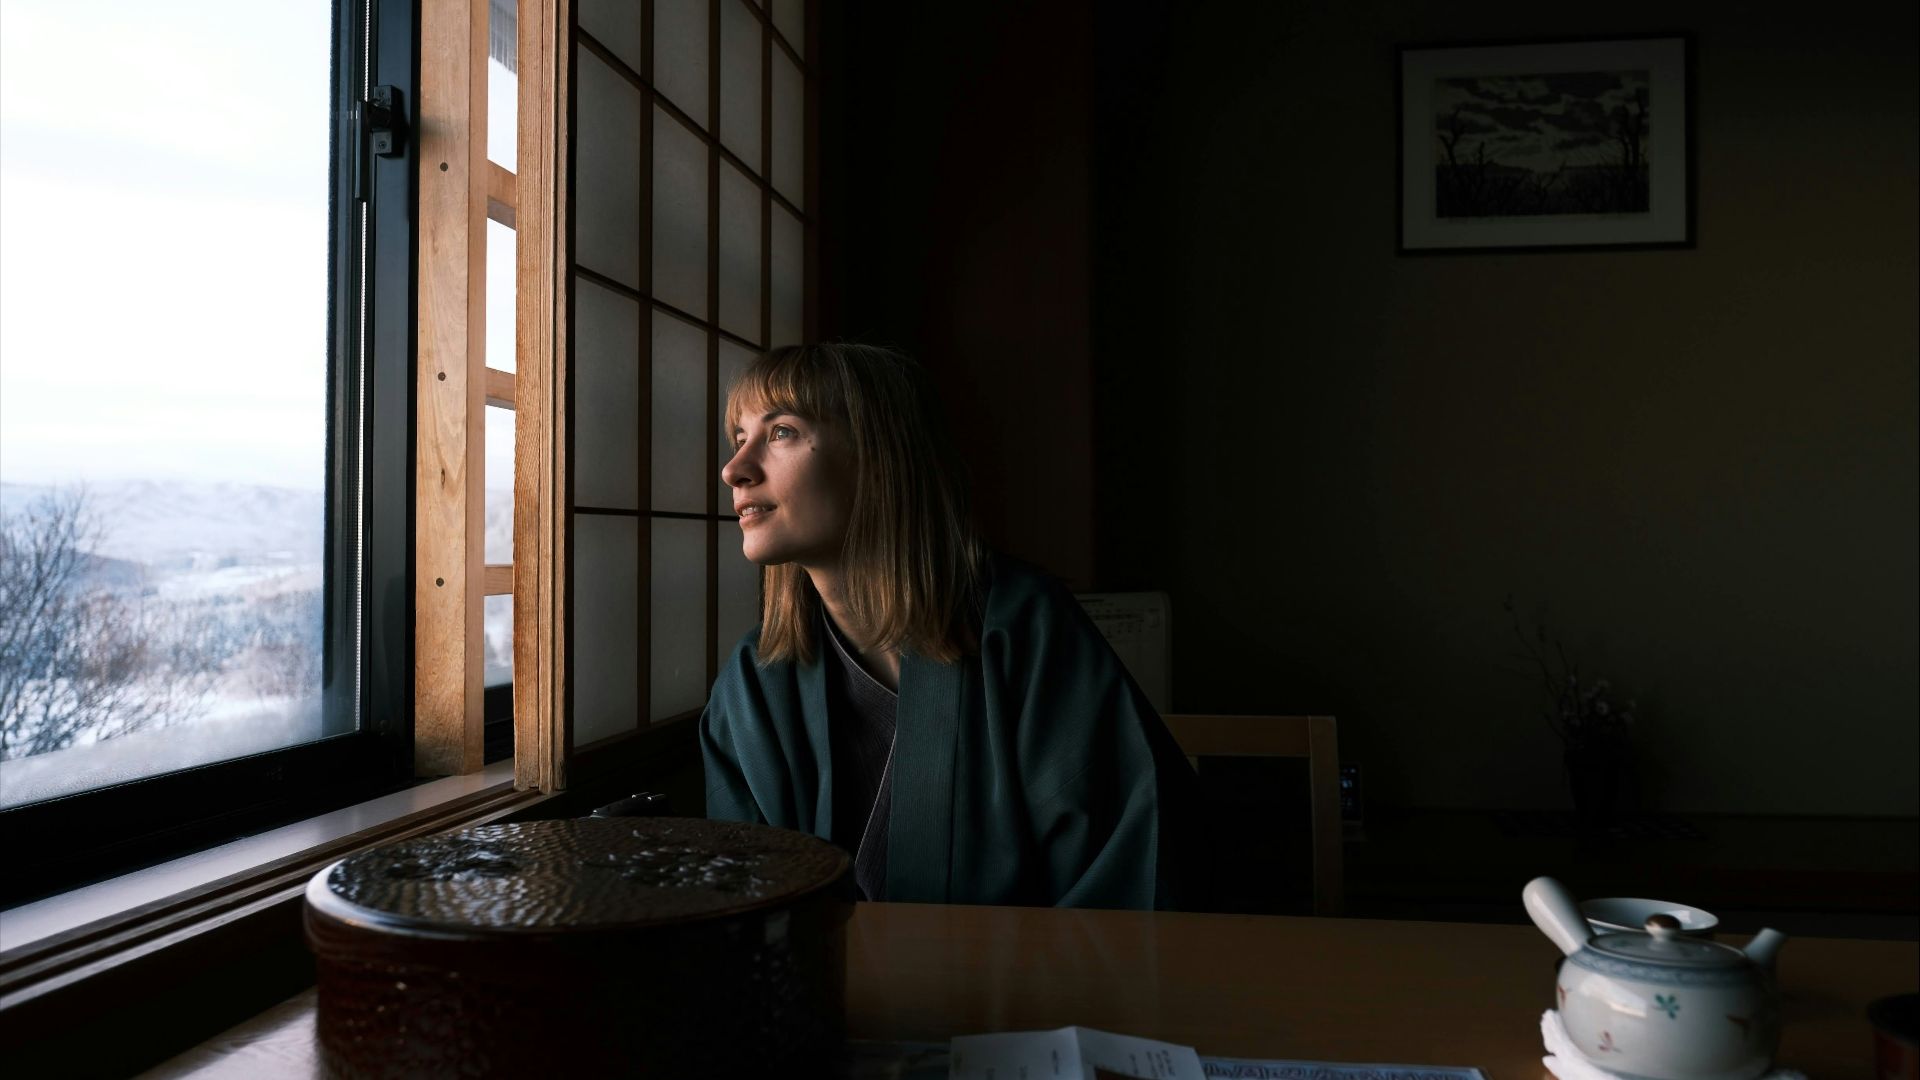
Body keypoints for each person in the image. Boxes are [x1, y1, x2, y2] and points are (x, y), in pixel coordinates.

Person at [699, 342, 1206, 910]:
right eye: (739, 438)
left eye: (781, 432)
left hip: (1034, 993)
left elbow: (1128, 877)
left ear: (881, 454)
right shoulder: (752, 686)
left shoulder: (1022, 632)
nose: (734, 470)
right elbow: (747, 905)